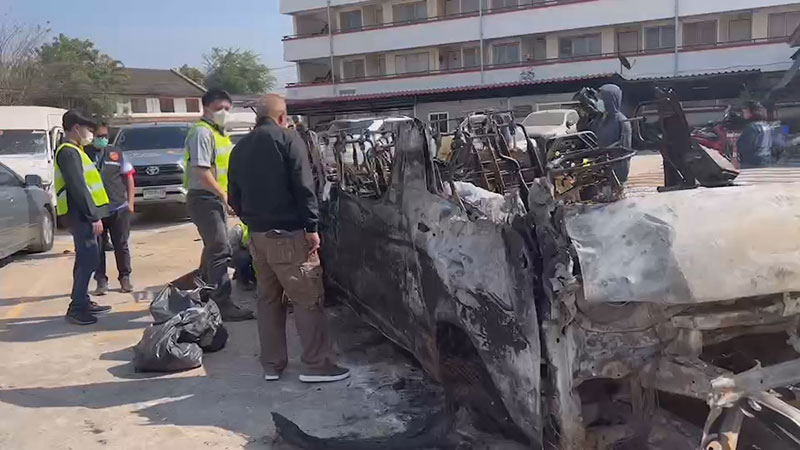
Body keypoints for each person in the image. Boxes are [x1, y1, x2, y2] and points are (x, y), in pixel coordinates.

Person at [228, 94, 350, 383]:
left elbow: (233, 196)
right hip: (288, 235)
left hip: (257, 237)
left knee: (268, 300)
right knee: (307, 299)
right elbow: (304, 186)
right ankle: (316, 365)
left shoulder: (240, 147)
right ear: (282, 117)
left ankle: (272, 365)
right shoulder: (288, 140)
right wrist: (311, 227)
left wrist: (252, 221)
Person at [184, 88, 254, 322]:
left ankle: (202, 294)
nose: (223, 112)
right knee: (220, 249)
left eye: (226, 108)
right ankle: (222, 303)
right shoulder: (202, 133)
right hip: (205, 198)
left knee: (214, 248)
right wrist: (224, 195)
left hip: (213, 198)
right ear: (205, 108)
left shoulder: (217, 133)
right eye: (218, 108)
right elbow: (201, 171)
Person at [54, 110, 113, 325]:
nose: (91, 134)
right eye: (88, 129)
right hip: (80, 215)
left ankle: (82, 301)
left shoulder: (76, 151)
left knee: (87, 258)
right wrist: (93, 216)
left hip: (82, 214)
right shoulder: (69, 152)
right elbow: (78, 187)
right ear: (76, 128)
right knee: (88, 258)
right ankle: (77, 307)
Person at [84, 123, 135, 295]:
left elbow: (129, 177)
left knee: (121, 245)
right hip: (96, 211)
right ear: (92, 136)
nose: (103, 139)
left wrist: (130, 203)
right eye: (99, 136)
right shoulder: (84, 154)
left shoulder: (116, 153)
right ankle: (101, 281)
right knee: (97, 248)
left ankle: (125, 277)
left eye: (105, 136)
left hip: (118, 207)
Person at [591, 83, 632, 182]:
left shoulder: (622, 121)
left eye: (601, 99)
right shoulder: (600, 119)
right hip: (600, 168)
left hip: (615, 170)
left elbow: (624, 150)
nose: (599, 102)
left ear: (610, 100)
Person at [737, 101, 773, 169]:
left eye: (746, 111)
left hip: (751, 161)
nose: (744, 113)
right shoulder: (766, 126)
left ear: (752, 113)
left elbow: (745, 146)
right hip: (766, 158)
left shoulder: (752, 127)